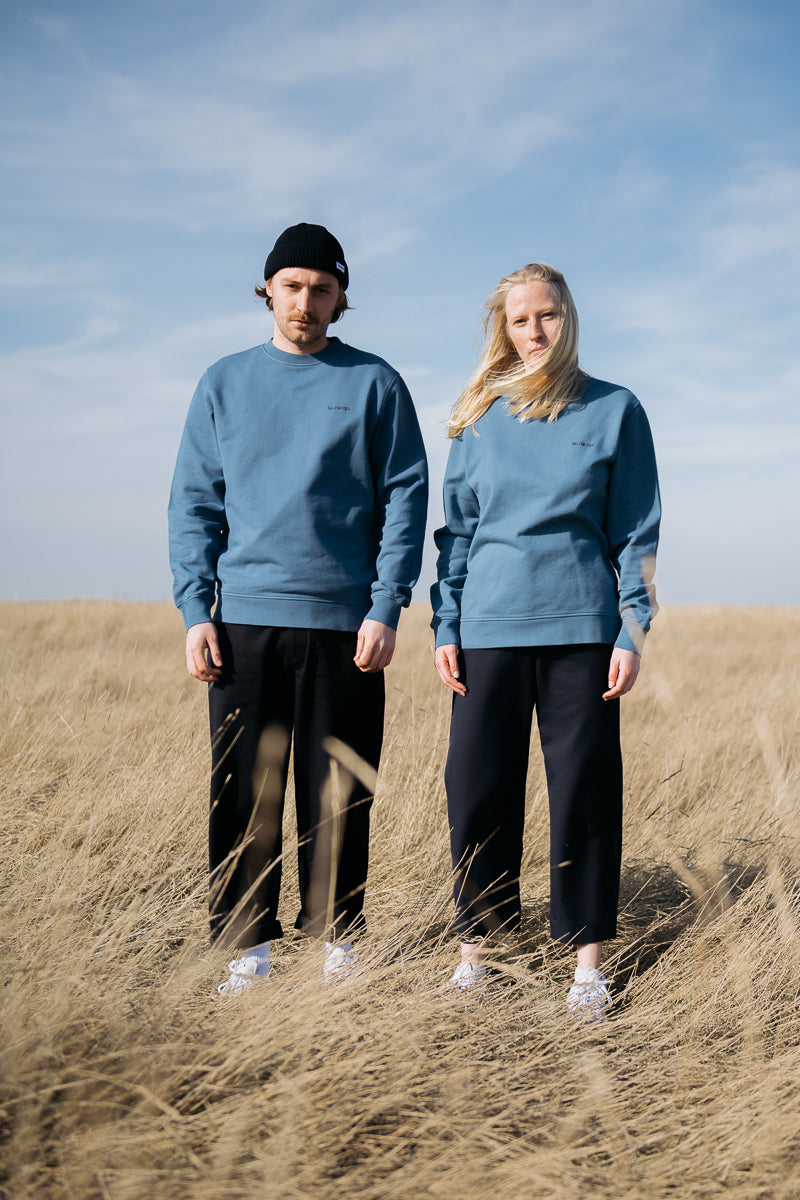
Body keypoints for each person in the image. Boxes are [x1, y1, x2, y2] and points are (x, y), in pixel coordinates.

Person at [169, 223, 428, 994]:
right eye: (292, 286)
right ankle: (247, 948)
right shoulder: (223, 382)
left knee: (338, 787)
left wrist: (386, 606)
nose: (305, 302)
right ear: (268, 292)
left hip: (346, 624)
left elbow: (405, 504)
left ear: (341, 297)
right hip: (244, 620)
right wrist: (196, 608)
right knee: (245, 789)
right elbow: (194, 504)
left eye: (321, 288)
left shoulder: (376, 385)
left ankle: (338, 944)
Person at [431, 262, 660, 1020]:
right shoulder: (477, 413)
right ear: (503, 326)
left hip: (583, 636)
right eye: (521, 319)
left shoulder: (616, 409)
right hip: (488, 634)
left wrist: (632, 629)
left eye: (549, 316)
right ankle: (478, 951)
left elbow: (637, 533)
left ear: (570, 318)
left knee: (585, 796)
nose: (535, 331)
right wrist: (447, 624)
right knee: (477, 791)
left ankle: (586, 967)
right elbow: (457, 535)